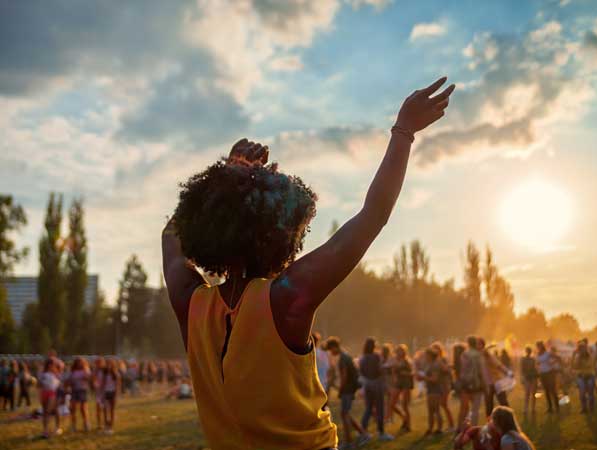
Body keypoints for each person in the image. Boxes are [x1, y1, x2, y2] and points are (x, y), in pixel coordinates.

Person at [161, 76, 455, 450]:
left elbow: (170, 238)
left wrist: (228, 172)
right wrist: (403, 132)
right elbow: (373, 216)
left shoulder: (192, 304)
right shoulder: (285, 299)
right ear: (281, 234)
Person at [325, 337, 370, 449]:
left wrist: (340, 389)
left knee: (344, 414)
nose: (330, 352)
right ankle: (364, 434)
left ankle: (349, 442)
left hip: (347, 389)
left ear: (335, 347)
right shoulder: (344, 356)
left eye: (331, 349)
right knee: (346, 414)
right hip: (349, 389)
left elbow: (344, 375)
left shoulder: (343, 358)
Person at [359, 337, 394, 441]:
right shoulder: (376, 356)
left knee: (368, 408)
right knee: (380, 409)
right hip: (377, 384)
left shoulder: (363, 358)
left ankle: (363, 431)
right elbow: (380, 369)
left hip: (367, 384)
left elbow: (362, 371)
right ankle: (381, 433)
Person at [479, 339, 511, 417]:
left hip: (496, 382)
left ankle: (510, 419)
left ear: (482, 345)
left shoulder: (487, 354)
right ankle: (489, 424)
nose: (476, 345)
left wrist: (507, 372)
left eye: (478, 344)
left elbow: (498, 365)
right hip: (487, 384)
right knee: (489, 405)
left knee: (503, 403)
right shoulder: (478, 356)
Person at [385, 344, 413, 431]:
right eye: (398, 351)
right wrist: (395, 378)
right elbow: (393, 371)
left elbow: (411, 373)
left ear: (404, 352)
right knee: (391, 404)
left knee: (405, 405)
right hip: (398, 383)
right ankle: (404, 419)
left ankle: (408, 425)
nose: (399, 352)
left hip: (406, 383)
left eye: (400, 351)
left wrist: (404, 373)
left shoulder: (407, 361)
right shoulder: (395, 360)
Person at [459, 336, 486, 425]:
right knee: (475, 409)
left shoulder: (464, 354)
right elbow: (482, 370)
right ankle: (474, 428)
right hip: (477, 383)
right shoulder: (479, 355)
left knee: (464, 408)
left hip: (466, 383)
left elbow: (462, 369)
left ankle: (462, 428)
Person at [431, 342, 455, 431]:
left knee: (444, 405)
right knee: (440, 405)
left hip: (444, 385)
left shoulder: (442, 359)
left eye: (436, 349)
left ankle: (451, 425)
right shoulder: (434, 361)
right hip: (438, 386)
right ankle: (444, 425)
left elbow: (447, 370)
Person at [419, 347, 443, 436]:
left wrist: (423, 378)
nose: (425, 356)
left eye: (426, 355)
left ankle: (439, 429)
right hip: (430, 389)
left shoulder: (435, 365)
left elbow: (435, 379)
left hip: (435, 390)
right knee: (430, 411)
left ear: (430, 355)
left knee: (436, 410)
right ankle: (430, 429)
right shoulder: (429, 364)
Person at [39, 358, 62, 438]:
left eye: (53, 364)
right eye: (50, 363)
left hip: (53, 393)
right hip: (44, 393)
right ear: (47, 364)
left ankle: (58, 428)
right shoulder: (43, 373)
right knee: (46, 412)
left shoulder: (57, 373)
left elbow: (60, 383)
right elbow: (39, 385)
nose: (51, 365)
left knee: (50, 411)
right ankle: (45, 430)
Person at [571, 340, 595, 413]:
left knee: (590, 393)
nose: (582, 349)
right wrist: (573, 355)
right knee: (582, 393)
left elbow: (589, 365)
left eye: (583, 348)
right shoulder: (578, 357)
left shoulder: (590, 356)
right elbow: (574, 366)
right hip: (581, 377)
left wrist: (580, 365)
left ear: (585, 348)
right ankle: (584, 408)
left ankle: (591, 407)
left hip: (589, 376)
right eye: (580, 348)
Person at [535, 341, 559, 413]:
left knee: (552, 390)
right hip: (543, 374)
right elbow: (537, 363)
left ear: (542, 346)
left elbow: (557, 357)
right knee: (546, 391)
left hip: (549, 373)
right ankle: (550, 407)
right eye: (537, 346)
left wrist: (552, 363)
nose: (538, 347)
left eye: (539, 346)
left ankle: (557, 407)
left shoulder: (547, 353)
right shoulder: (538, 354)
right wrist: (538, 368)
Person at [68, 357, 91, 431]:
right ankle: (73, 425)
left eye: (81, 362)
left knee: (83, 408)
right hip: (74, 390)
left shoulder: (85, 370)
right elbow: (70, 380)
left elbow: (89, 378)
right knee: (73, 408)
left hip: (82, 390)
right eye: (78, 362)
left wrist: (85, 377)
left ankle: (86, 424)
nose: (79, 363)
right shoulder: (73, 371)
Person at [102, 359, 121, 435]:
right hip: (106, 392)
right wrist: (102, 393)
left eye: (110, 364)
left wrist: (116, 395)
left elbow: (118, 385)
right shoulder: (105, 374)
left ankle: (111, 426)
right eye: (107, 364)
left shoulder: (116, 374)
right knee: (105, 410)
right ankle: (106, 425)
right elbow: (103, 384)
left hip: (113, 393)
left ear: (113, 365)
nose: (108, 366)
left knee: (112, 410)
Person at [520, 347, 538, 416]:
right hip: (527, 377)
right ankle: (526, 409)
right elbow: (522, 369)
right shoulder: (523, 359)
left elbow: (534, 368)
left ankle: (532, 409)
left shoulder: (532, 359)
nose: (529, 352)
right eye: (528, 351)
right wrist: (523, 377)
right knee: (527, 393)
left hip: (532, 377)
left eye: (529, 351)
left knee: (533, 394)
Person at [92, 357, 106, 430]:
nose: (98, 364)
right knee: (98, 408)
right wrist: (96, 385)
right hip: (99, 392)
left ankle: (105, 422)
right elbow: (94, 380)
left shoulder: (105, 370)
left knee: (105, 408)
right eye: (97, 363)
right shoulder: (95, 371)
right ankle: (99, 424)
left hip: (105, 391)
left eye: (99, 362)